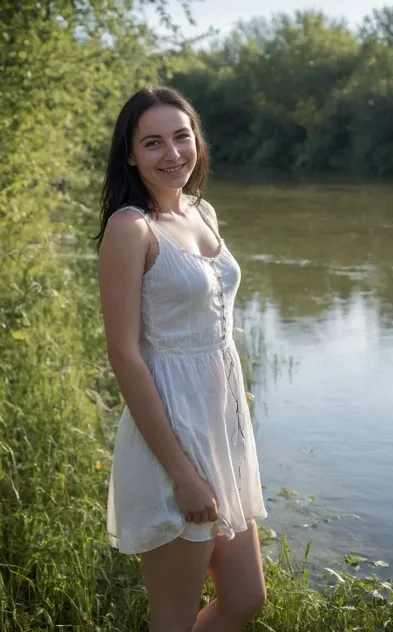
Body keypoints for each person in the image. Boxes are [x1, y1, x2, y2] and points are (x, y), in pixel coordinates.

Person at [95, 86, 268, 632]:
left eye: (181, 136)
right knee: (172, 619)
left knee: (245, 600)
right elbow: (124, 354)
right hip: (171, 438)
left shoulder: (202, 210)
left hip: (221, 433)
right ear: (130, 154)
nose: (172, 154)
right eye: (153, 143)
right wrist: (183, 474)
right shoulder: (131, 228)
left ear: (196, 139)